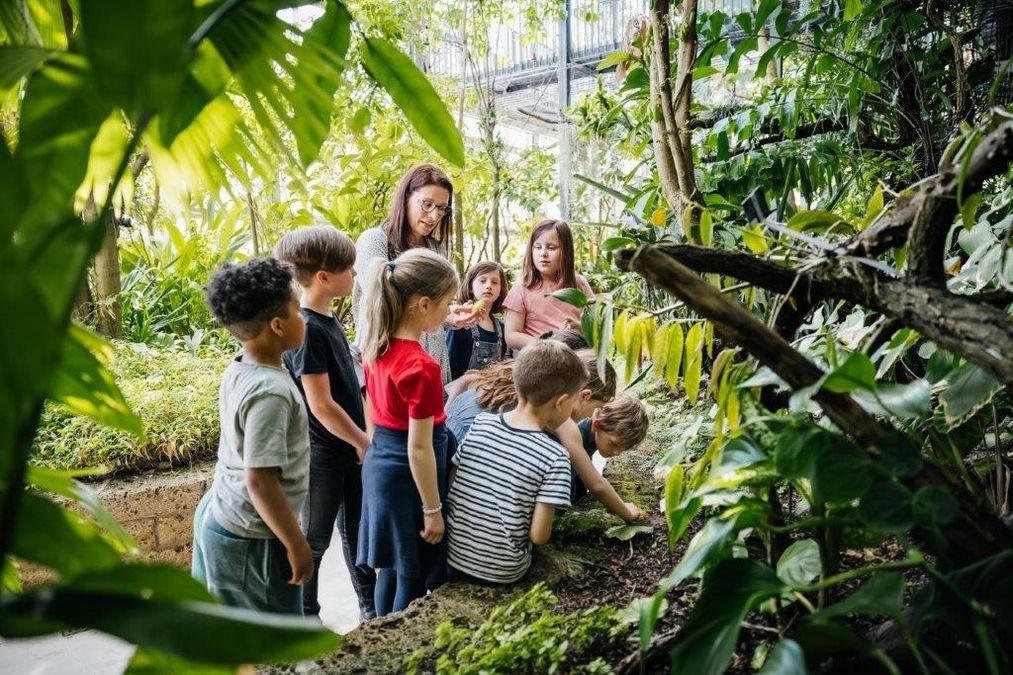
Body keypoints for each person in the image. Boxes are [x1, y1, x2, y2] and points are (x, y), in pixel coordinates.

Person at [192, 258, 312, 614]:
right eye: (297, 310)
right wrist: (295, 543)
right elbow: (260, 480)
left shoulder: (243, 368)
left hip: (224, 512)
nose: (303, 316)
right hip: (252, 539)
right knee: (274, 645)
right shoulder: (270, 392)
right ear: (277, 325)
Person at [275, 225, 376, 620]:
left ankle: (369, 606)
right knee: (314, 539)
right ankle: (305, 616)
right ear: (323, 277)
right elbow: (321, 405)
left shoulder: (327, 319)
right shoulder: (307, 329)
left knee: (355, 531)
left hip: (347, 447)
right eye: (349, 270)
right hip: (323, 454)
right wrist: (362, 442)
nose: (354, 277)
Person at [357, 248, 460, 616]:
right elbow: (420, 449)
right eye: (447, 303)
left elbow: (372, 411)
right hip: (409, 479)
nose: (449, 311)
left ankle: (376, 636)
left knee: (392, 567)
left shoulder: (375, 346)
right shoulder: (422, 367)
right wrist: (432, 509)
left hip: (380, 465)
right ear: (423, 304)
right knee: (413, 576)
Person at [445, 349, 641, 523]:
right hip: (461, 448)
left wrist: (445, 413)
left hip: (449, 434)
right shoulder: (562, 422)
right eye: (596, 408)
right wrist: (627, 512)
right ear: (584, 396)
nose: (592, 416)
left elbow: (468, 380)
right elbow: (595, 484)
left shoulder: (534, 381)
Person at [445, 341, 585, 583]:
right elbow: (539, 535)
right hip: (504, 570)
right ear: (561, 402)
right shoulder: (555, 457)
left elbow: (453, 483)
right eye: (574, 401)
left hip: (450, 555)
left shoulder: (482, 424)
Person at [353, 163, 477, 384]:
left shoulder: (437, 249)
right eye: (427, 204)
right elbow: (379, 294)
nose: (433, 216)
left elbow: (427, 309)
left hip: (430, 361)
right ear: (406, 198)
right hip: (386, 362)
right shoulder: (375, 240)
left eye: (441, 208)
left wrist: (448, 314)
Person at [503, 219, 594, 351]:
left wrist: (581, 327)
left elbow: (597, 328)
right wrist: (548, 344)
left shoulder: (579, 284)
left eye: (551, 248)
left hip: (577, 355)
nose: (543, 253)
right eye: (538, 247)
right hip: (539, 357)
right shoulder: (522, 287)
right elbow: (511, 336)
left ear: (566, 251)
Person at [571, 394, 650, 503]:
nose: (616, 452)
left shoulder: (594, 436)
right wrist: (627, 512)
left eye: (623, 449)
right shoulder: (576, 433)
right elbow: (596, 485)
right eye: (614, 444)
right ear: (597, 424)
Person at [446, 261, 509, 381]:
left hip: (490, 393)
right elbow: (449, 364)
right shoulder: (460, 323)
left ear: (501, 290)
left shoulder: (502, 328)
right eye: (482, 281)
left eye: (495, 282)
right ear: (470, 287)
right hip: (459, 394)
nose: (489, 285)